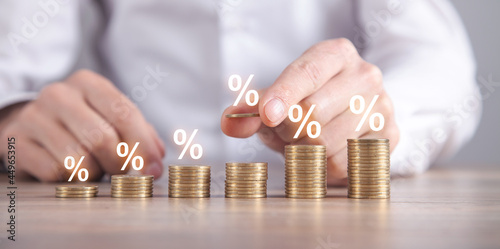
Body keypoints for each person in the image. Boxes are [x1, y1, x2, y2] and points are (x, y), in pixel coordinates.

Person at [0, 0, 480, 186]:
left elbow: (439, 63)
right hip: (136, 195)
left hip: (330, 209)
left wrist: (383, 114)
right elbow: (12, 67)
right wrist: (14, 120)